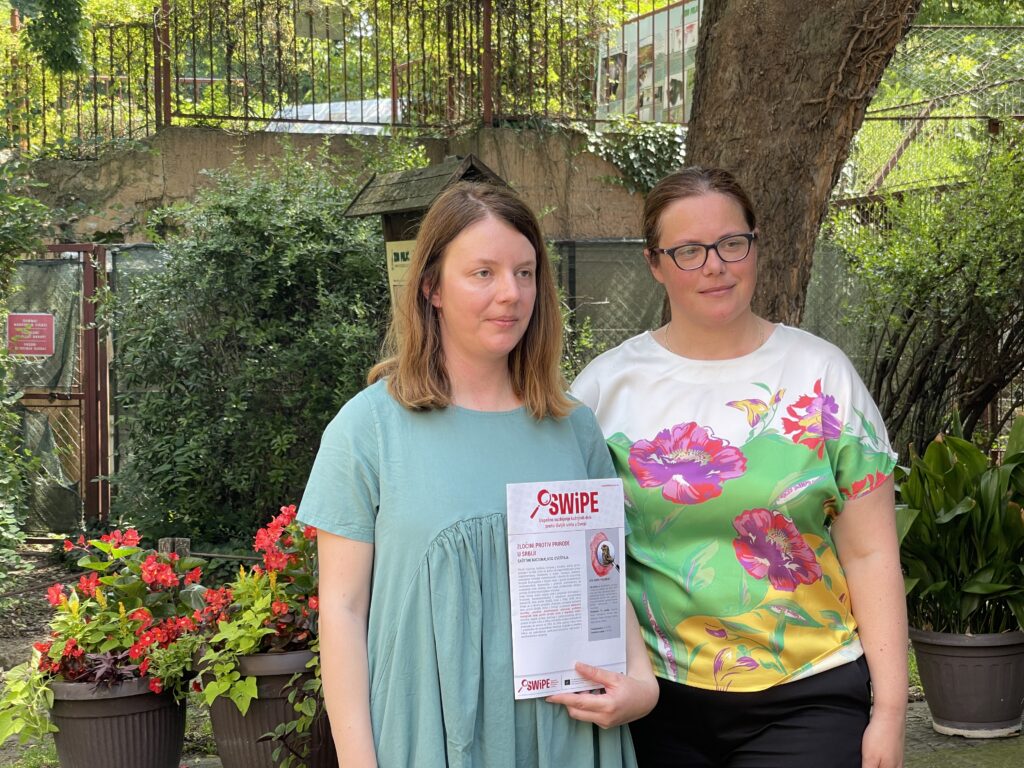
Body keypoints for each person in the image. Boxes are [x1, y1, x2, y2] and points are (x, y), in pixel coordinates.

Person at [299, 182, 658, 768]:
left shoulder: (574, 428)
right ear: (432, 288)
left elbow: (603, 576)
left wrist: (641, 685)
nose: (510, 293)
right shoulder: (368, 429)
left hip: (565, 736)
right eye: (483, 273)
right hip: (428, 738)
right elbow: (342, 611)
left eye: (524, 272)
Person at [571, 167, 907, 768]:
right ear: (654, 263)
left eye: (731, 243)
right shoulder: (604, 390)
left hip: (809, 690)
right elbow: (581, 550)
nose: (715, 266)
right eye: (689, 250)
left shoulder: (822, 376)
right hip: (654, 700)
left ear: (755, 246)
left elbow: (870, 553)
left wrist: (890, 712)